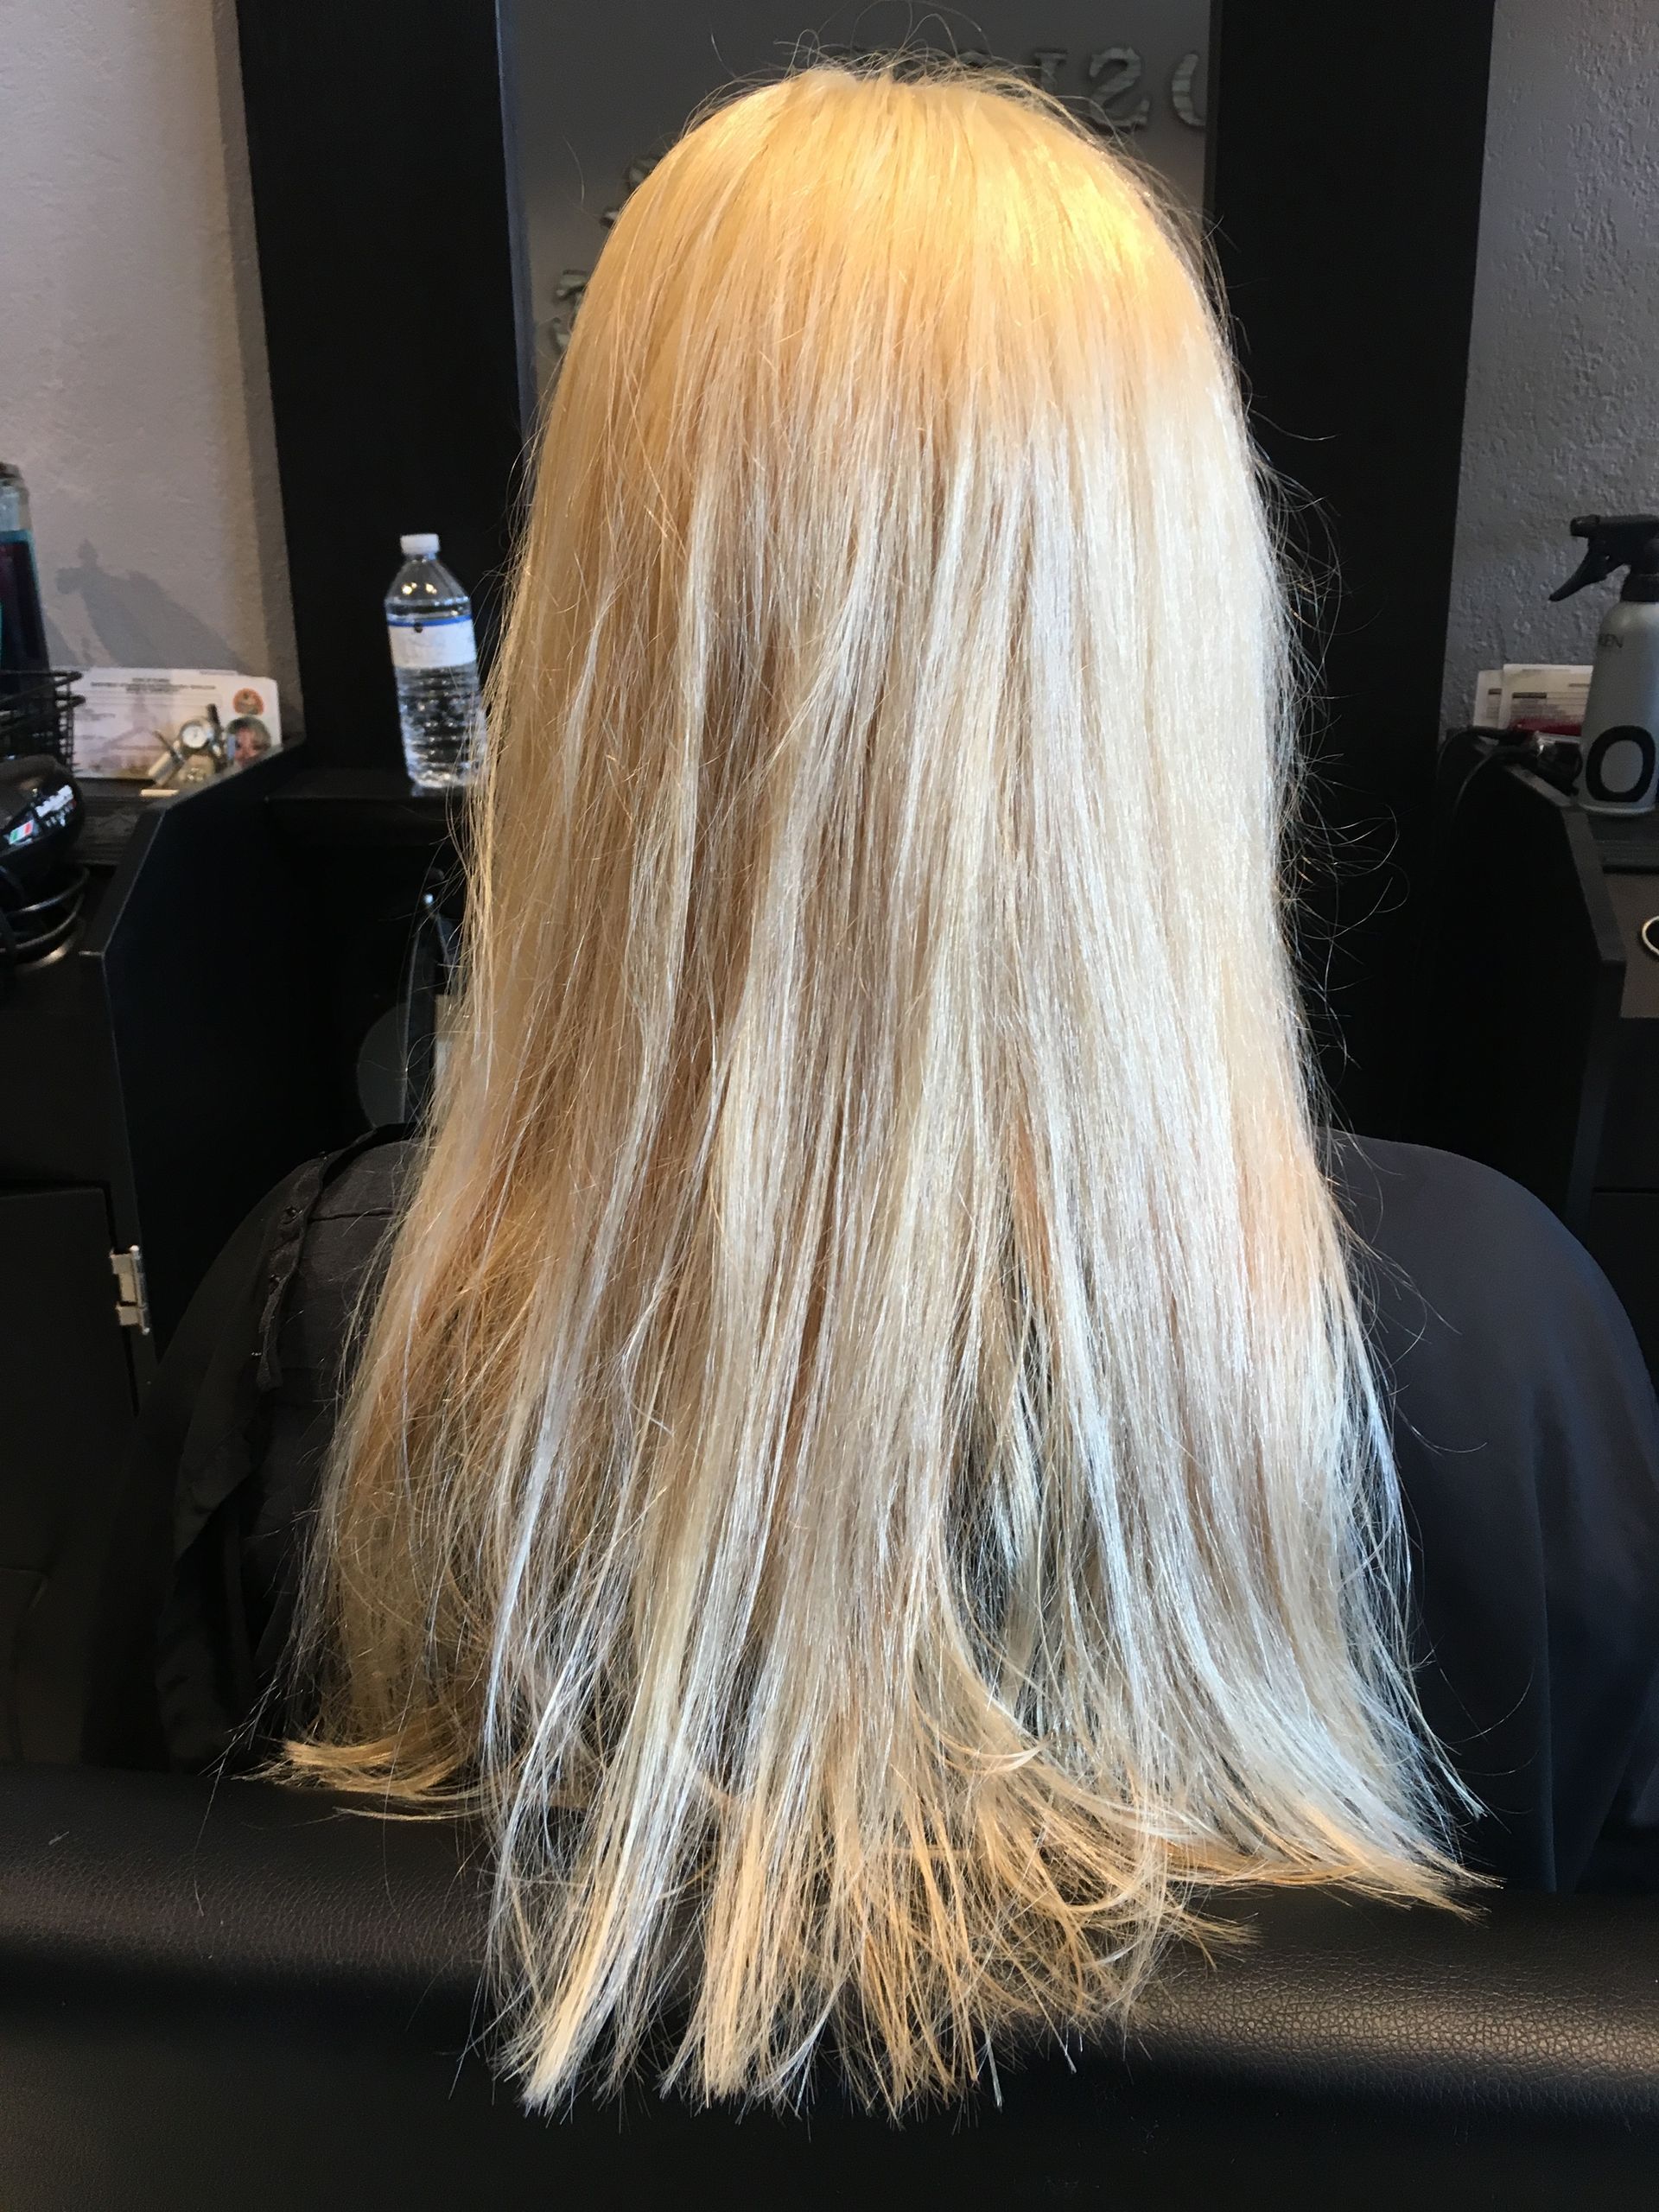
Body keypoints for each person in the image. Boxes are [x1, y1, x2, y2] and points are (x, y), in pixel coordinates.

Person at [109, 62, 1659, 2113]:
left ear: (599, 659)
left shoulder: (314, 1333)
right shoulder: (1499, 1345)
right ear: (1181, 658)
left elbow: (176, 2048)